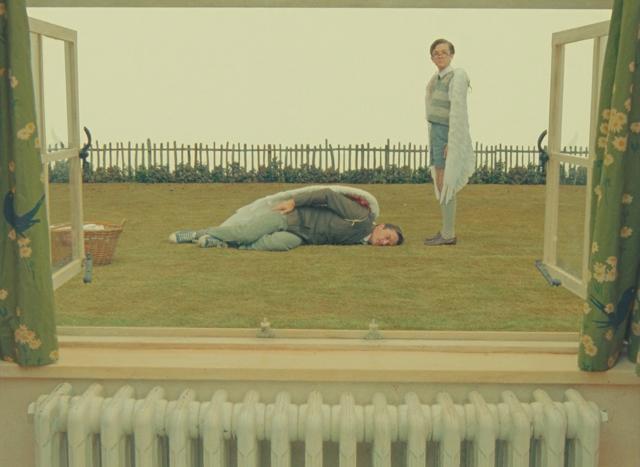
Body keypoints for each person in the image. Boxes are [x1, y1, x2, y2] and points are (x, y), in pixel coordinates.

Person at [169, 187, 404, 251]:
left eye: (389, 244)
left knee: (274, 245)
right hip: (291, 217)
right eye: (387, 236)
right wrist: (294, 202)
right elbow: (328, 195)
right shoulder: (362, 217)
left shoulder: (360, 241)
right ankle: (197, 234)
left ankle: (219, 243)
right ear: (381, 226)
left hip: (301, 236)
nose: (384, 243)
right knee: (247, 233)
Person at [424, 38, 475, 246]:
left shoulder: (456, 77)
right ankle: (446, 230)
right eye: (436, 53)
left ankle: (448, 234)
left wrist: (451, 142)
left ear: (451, 55)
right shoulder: (436, 79)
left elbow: (458, 113)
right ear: (431, 57)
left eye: (444, 52)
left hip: (446, 133)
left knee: (446, 181)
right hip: (436, 132)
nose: (440, 56)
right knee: (440, 181)